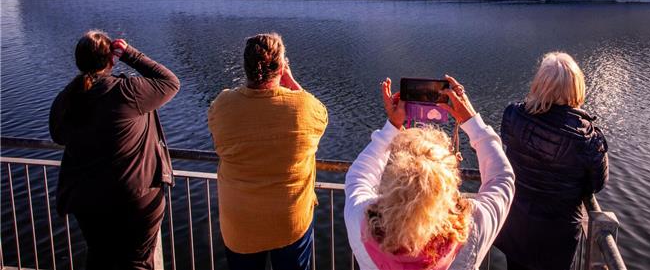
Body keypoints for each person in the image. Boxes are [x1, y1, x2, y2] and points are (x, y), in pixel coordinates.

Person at [345, 75, 515, 270]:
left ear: (392, 178)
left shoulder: (361, 222)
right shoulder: (472, 227)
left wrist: (392, 126)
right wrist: (470, 120)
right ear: (448, 182)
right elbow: (502, 178)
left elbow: (358, 175)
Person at [49, 31, 179, 270]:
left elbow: (58, 135)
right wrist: (130, 54)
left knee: (100, 257)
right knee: (137, 262)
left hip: (87, 199)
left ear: (79, 62)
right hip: (135, 197)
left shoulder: (67, 98)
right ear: (111, 59)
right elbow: (170, 82)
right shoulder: (127, 91)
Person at [208, 33, 328, 270]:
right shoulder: (304, 107)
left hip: (240, 224)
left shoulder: (223, 106)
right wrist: (291, 82)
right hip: (291, 222)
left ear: (245, 66)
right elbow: (321, 115)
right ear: (282, 66)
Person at [494, 52, 609, 270]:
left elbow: (508, 144)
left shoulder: (513, 115)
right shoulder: (588, 139)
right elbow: (596, 185)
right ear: (577, 87)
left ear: (539, 83)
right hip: (557, 236)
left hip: (516, 224)